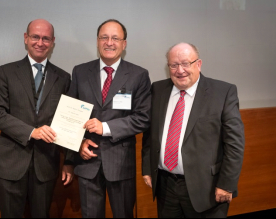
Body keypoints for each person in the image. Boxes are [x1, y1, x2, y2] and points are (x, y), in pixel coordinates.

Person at [142, 43, 245, 218]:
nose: (180, 70)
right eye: (174, 65)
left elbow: (234, 144)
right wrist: (147, 168)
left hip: (207, 189)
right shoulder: (158, 90)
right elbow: (150, 134)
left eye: (185, 63)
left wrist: (227, 184)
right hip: (165, 187)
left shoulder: (223, 92)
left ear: (198, 64)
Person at [0, 19, 74, 218]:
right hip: (10, 165)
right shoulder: (6, 72)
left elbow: (69, 121)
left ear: (53, 42)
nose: (40, 42)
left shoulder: (63, 77)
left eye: (46, 38)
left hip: (46, 166)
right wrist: (31, 132)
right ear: (26, 38)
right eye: (35, 37)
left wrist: (69, 161)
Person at [67, 19, 151, 218]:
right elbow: (69, 114)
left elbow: (143, 118)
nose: (109, 42)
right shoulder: (80, 72)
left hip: (121, 164)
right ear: (97, 41)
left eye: (115, 38)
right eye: (104, 37)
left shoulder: (138, 75)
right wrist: (78, 143)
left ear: (124, 43)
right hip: (87, 162)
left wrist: (104, 127)